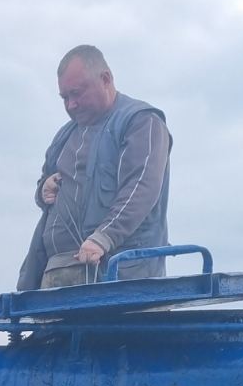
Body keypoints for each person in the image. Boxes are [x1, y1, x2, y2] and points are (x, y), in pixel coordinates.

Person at [18, 45, 171, 292]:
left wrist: (103, 238)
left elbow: (142, 186)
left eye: (77, 93)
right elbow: (45, 183)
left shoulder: (142, 122)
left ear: (106, 79)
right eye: (64, 98)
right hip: (59, 279)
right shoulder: (64, 136)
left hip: (122, 279)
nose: (71, 104)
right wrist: (43, 189)